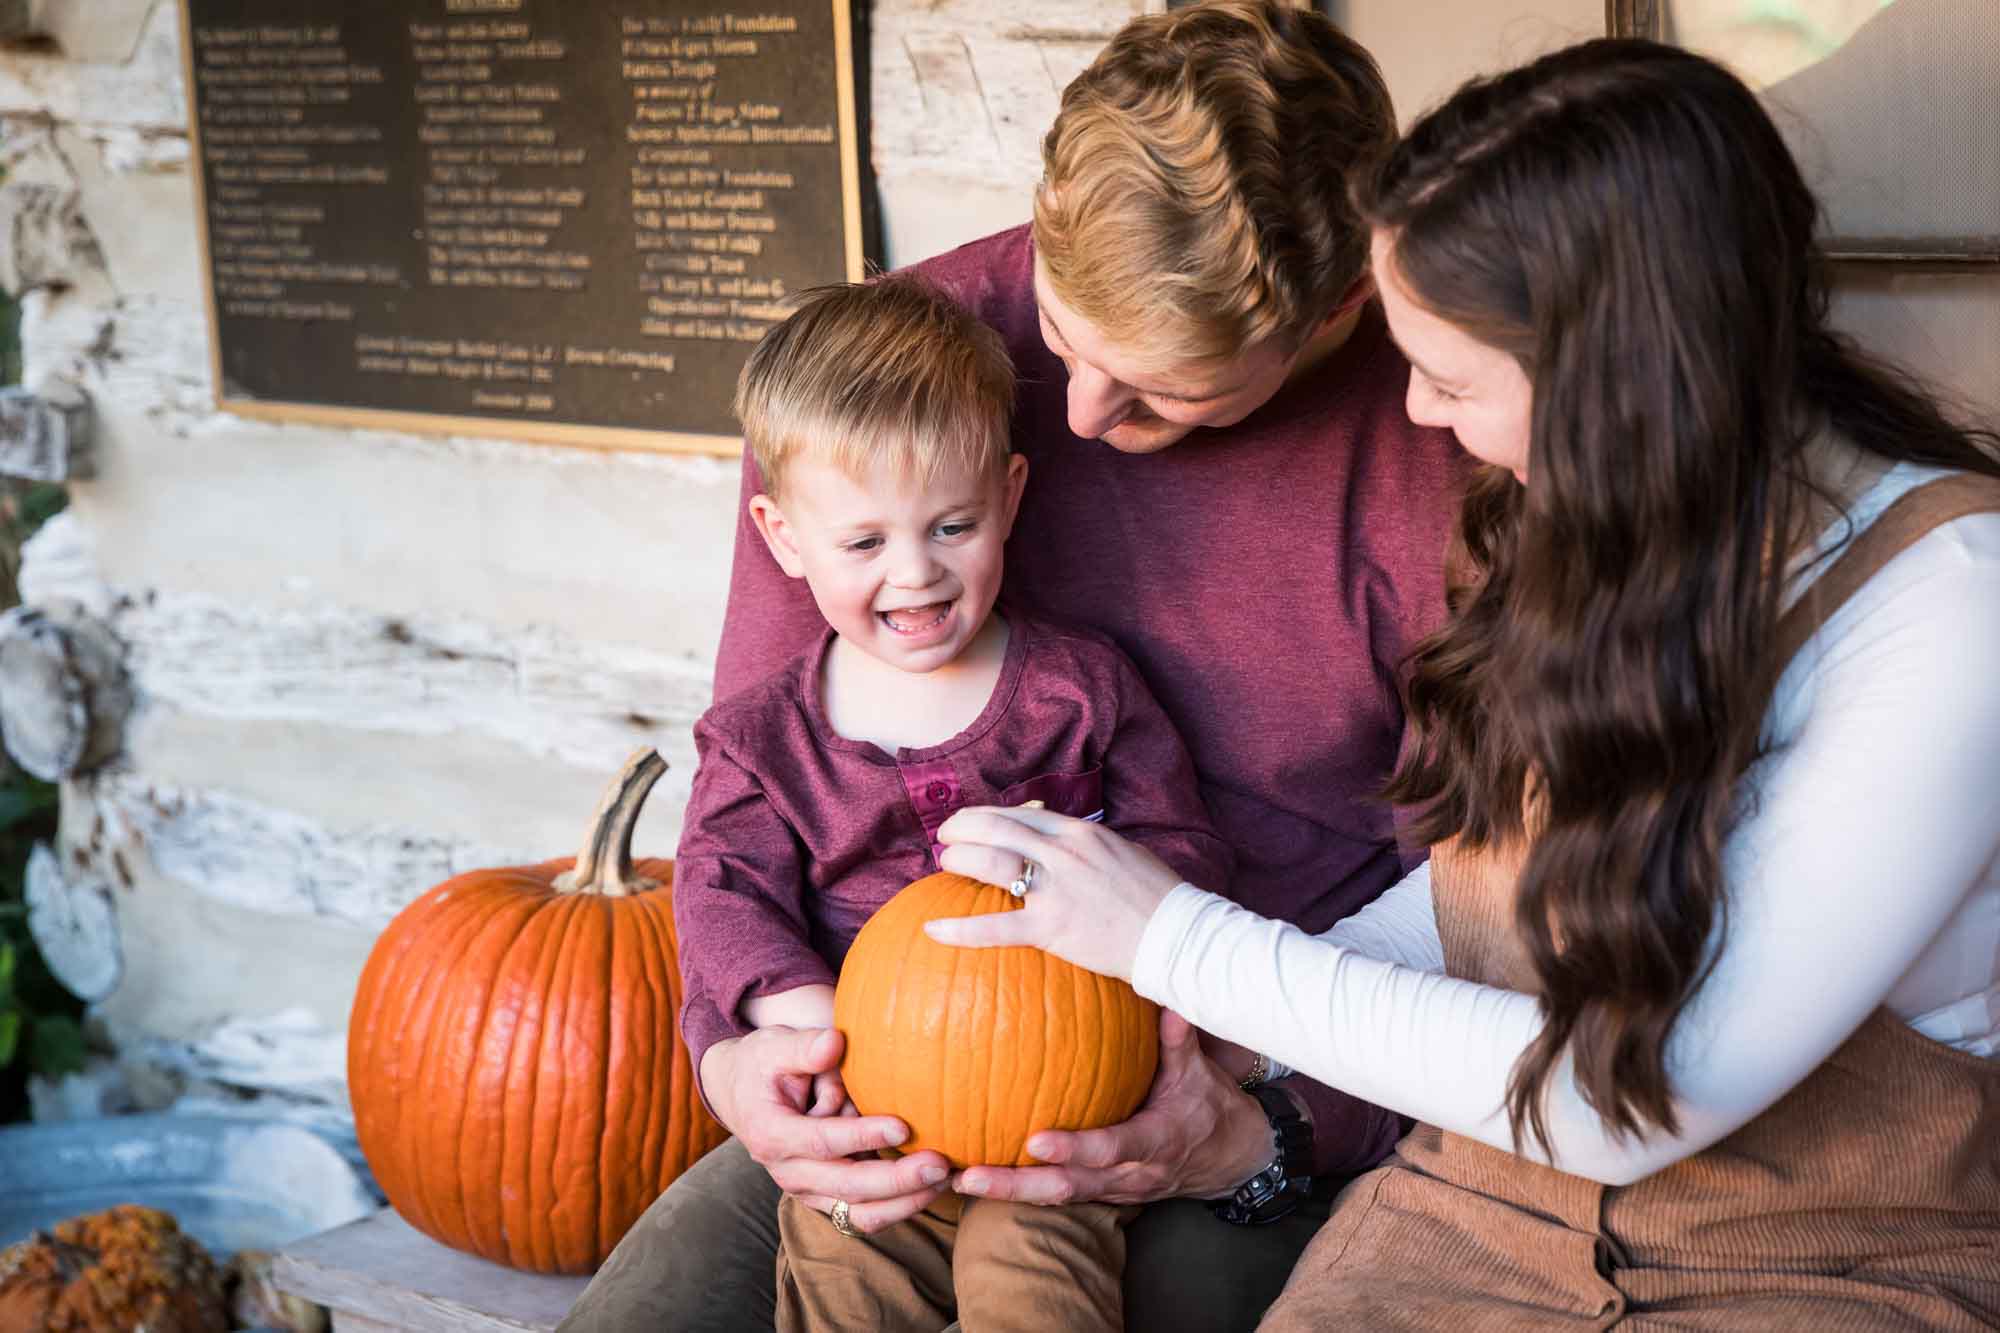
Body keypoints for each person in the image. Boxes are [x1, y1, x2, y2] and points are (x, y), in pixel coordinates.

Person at [926, 36, 2000, 1328]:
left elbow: (1638, 1093)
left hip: (1820, 1270)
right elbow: (1473, 897)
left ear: (1620, 387)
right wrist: (1217, 1029)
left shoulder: (1953, 608)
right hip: (1475, 1222)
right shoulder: (1591, 525)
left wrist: (1179, 941)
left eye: (1446, 378)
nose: (1419, 421)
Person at [556, 3, 1469, 1330]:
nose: (1086, 416)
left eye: (1163, 393)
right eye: (1062, 331)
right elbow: (744, 800)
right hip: (877, 1089)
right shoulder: (884, 376)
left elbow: (1492, 912)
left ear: (1334, 310)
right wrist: (736, 1053)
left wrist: (1270, 1125)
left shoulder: (1440, 433)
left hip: (1239, 1088)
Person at [670, 272, 1232, 1333]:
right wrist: (794, 1018)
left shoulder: (1080, 689)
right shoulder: (760, 741)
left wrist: (1100, 899)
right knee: (845, 1273)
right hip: (864, 1110)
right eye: (864, 542)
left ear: (1010, 496)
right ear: (783, 535)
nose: (916, 575)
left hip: (1054, 1104)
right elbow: (718, 894)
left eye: (952, 526)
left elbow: (1178, 845)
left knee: (1037, 1286)